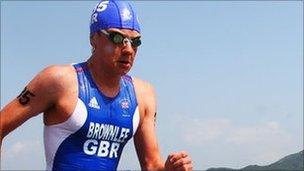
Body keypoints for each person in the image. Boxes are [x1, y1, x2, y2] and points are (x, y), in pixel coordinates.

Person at [0, 0, 193, 170]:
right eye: (117, 38)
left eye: (135, 42)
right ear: (94, 39)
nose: (128, 49)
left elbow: (151, 165)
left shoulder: (144, 95)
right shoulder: (59, 80)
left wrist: (170, 169)